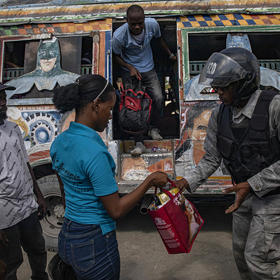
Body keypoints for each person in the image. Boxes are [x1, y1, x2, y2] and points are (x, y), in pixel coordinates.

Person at [50, 74, 168, 280]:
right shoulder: (94, 152)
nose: (111, 115)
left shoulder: (60, 142)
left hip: (68, 235)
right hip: (94, 241)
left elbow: (65, 189)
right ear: (96, 105)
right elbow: (116, 210)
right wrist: (149, 181)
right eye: (110, 108)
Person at [176, 47, 280, 279]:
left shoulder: (274, 106)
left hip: (274, 197)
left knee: (260, 261)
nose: (218, 91)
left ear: (244, 84)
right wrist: (187, 181)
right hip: (243, 194)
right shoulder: (221, 114)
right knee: (241, 256)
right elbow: (212, 157)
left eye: (225, 86)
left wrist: (253, 183)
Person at [0, 83, 48, 280]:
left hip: (27, 203)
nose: (3, 102)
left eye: (4, 97)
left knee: (38, 248)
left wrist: (39, 195)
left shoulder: (12, 128)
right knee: (10, 262)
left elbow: (25, 162)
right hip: (3, 210)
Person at [112, 4, 176, 144]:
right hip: (129, 71)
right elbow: (115, 56)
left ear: (144, 20)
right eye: (133, 24)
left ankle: (152, 128)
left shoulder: (152, 25)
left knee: (158, 98)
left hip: (149, 69)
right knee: (134, 104)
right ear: (127, 21)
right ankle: (137, 139)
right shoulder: (119, 36)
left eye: (140, 23)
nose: (137, 27)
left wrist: (170, 54)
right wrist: (129, 67)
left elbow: (159, 40)